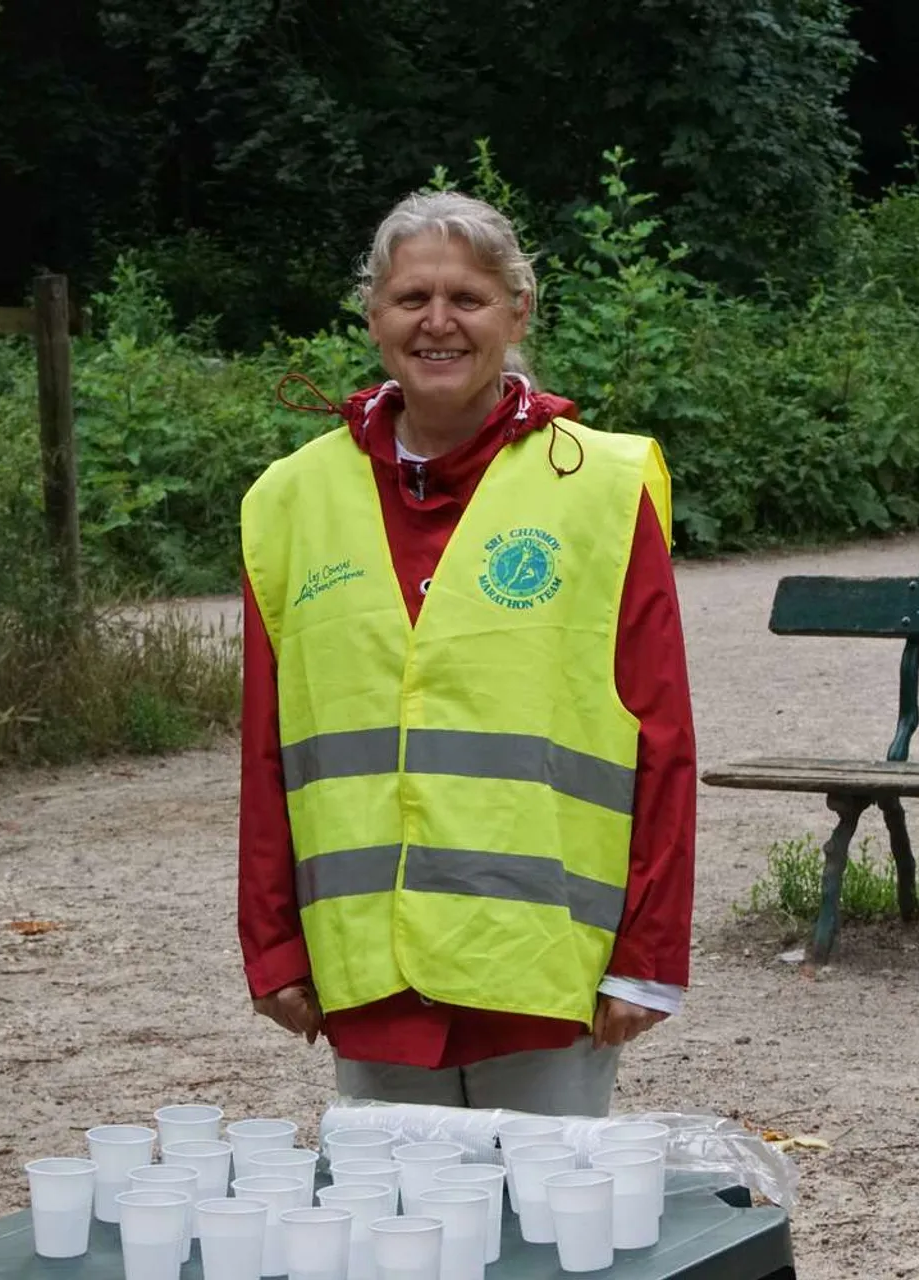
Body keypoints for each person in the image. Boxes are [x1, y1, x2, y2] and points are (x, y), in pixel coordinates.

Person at [235, 190, 695, 1117]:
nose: (437, 322)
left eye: (468, 299)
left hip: (543, 974)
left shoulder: (602, 486)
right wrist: (273, 943)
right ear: (373, 315)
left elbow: (661, 737)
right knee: (391, 1210)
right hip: (370, 973)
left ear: (518, 314)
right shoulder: (289, 500)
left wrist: (646, 959)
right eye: (411, 298)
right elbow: (269, 748)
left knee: (545, 1212)